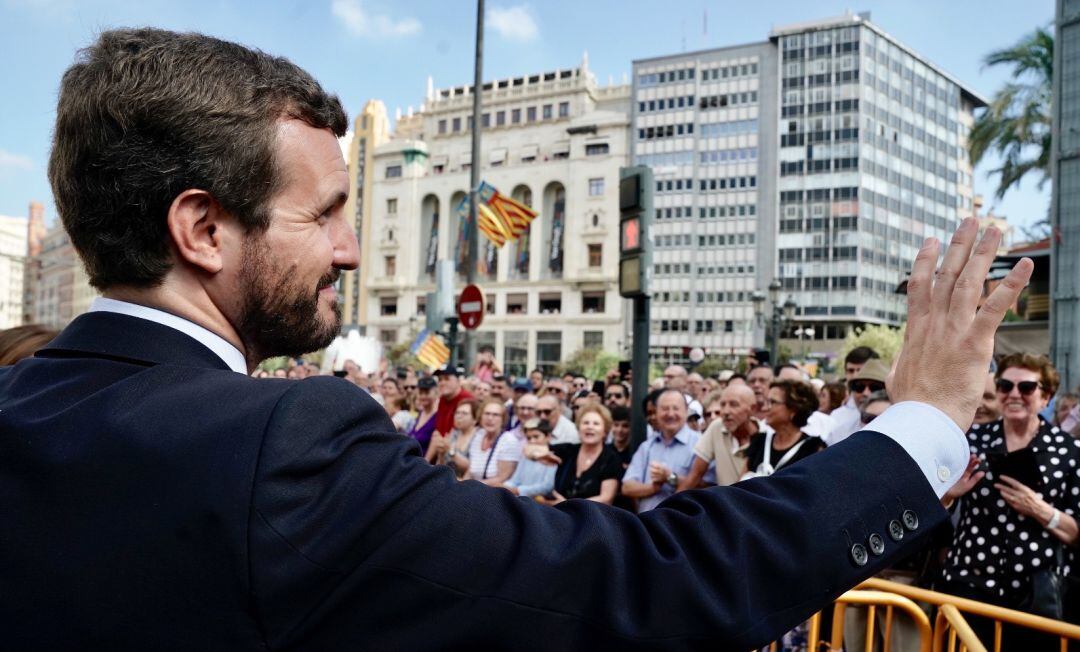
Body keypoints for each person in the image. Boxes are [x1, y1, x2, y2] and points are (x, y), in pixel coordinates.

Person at [3, 28, 1033, 649]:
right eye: (323, 215)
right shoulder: (287, 445)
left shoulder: (24, 406)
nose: (354, 250)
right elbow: (650, 581)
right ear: (204, 228)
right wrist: (924, 426)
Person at [938, 353, 1080, 648]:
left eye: (1026, 388)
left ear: (1046, 397)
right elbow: (932, 509)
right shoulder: (971, 440)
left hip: (1035, 595)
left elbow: (1077, 532)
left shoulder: (1069, 451)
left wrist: (1042, 511)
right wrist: (950, 493)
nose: (1014, 394)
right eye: (1005, 386)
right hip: (969, 583)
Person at [621, 389, 701, 512]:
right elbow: (627, 487)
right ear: (656, 413)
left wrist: (670, 478)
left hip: (684, 524)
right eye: (665, 409)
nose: (670, 414)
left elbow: (706, 487)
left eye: (676, 408)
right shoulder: (647, 447)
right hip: (647, 524)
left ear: (686, 411)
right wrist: (653, 488)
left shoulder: (700, 443)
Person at [680, 384, 766, 490]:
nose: (725, 411)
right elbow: (695, 475)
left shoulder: (768, 437)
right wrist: (670, 506)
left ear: (752, 408)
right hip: (725, 504)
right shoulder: (717, 427)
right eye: (722, 405)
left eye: (734, 405)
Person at [536, 404, 622, 506]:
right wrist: (536, 455)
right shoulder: (568, 450)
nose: (590, 427)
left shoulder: (611, 458)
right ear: (578, 428)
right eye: (585, 423)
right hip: (559, 515)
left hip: (593, 518)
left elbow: (606, 499)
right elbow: (533, 449)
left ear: (605, 431)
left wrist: (569, 504)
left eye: (596, 424)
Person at [742, 380, 825, 479]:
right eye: (767, 402)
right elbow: (738, 485)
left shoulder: (812, 449)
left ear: (793, 408)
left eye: (772, 402)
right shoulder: (759, 442)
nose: (765, 408)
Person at [825, 358, 888, 446]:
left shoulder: (904, 433)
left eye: (875, 387)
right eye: (859, 387)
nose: (865, 393)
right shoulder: (839, 434)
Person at [468, 399, 520, 486]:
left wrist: (471, 486)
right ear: (480, 417)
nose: (490, 418)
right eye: (487, 414)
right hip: (474, 489)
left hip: (495, 493)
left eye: (495, 415)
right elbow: (470, 471)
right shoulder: (478, 436)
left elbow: (502, 478)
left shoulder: (509, 440)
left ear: (503, 419)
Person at [503, 419, 557, 499]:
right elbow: (515, 480)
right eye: (528, 438)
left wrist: (519, 490)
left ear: (548, 437)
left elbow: (547, 486)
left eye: (536, 437)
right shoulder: (525, 456)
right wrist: (504, 488)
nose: (532, 441)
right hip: (519, 499)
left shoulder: (552, 458)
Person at [433, 366, 473, 438]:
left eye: (447, 379)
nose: (442, 383)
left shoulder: (467, 400)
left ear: (458, 381)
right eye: (440, 379)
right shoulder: (443, 399)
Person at [406, 376, 439, 455]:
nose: (423, 396)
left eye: (427, 393)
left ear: (436, 393)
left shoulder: (438, 416)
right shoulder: (421, 413)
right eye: (421, 393)